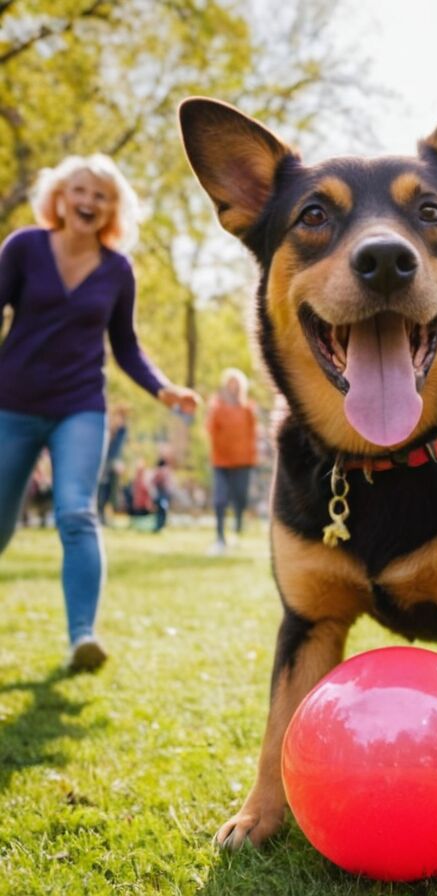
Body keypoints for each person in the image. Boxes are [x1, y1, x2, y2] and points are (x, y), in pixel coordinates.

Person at [0, 154, 200, 672]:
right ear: (61, 197)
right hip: (12, 403)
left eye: (101, 196)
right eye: (81, 191)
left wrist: (164, 390)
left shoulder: (117, 271)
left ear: (114, 210)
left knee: (76, 512)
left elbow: (126, 346)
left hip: (79, 407)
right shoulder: (24, 248)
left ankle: (82, 638)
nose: (88, 202)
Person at [205, 367, 260, 555]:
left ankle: (237, 528)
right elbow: (210, 429)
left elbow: (253, 434)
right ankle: (220, 538)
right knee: (220, 499)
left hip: (243, 461)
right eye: (231, 384)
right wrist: (211, 411)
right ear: (226, 386)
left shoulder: (247, 409)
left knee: (240, 498)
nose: (234, 387)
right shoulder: (217, 406)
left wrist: (253, 458)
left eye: (237, 384)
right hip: (221, 461)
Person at [97, 403, 129, 524]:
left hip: (114, 465)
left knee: (112, 491)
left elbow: (120, 451)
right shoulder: (107, 429)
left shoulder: (122, 431)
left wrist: (119, 462)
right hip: (104, 464)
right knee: (102, 490)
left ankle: (106, 515)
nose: (120, 420)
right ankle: (100, 514)